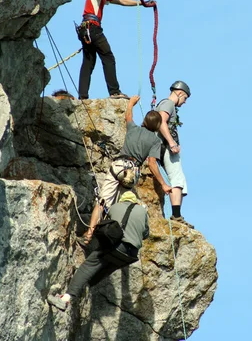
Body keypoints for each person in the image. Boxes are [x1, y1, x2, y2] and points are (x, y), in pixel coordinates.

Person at [81, 95, 171, 245]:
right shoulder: (155, 141)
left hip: (118, 166)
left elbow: (128, 116)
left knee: (103, 201)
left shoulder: (133, 128)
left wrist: (131, 103)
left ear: (145, 121)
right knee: (127, 205)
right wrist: (163, 184)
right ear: (157, 127)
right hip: (132, 173)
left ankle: (89, 234)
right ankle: (119, 239)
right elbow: (152, 164)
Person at [48, 191, 148, 310]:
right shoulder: (143, 211)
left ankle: (65, 299)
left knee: (88, 266)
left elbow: (106, 223)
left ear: (122, 200)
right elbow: (146, 234)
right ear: (135, 201)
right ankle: (85, 287)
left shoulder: (115, 207)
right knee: (104, 269)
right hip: (131, 254)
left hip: (116, 246)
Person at [76, 0, 153, 100]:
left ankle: (83, 96)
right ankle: (114, 92)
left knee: (88, 63)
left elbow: (121, 1)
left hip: (86, 29)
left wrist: (142, 3)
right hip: (92, 28)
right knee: (108, 57)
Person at [156, 81, 193, 228]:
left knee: (178, 180)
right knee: (177, 178)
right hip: (165, 146)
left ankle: (177, 213)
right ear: (180, 93)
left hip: (163, 146)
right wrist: (171, 142)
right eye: (185, 99)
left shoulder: (167, 105)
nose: (184, 103)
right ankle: (176, 215)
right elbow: (161, 122)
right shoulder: (168, 104)